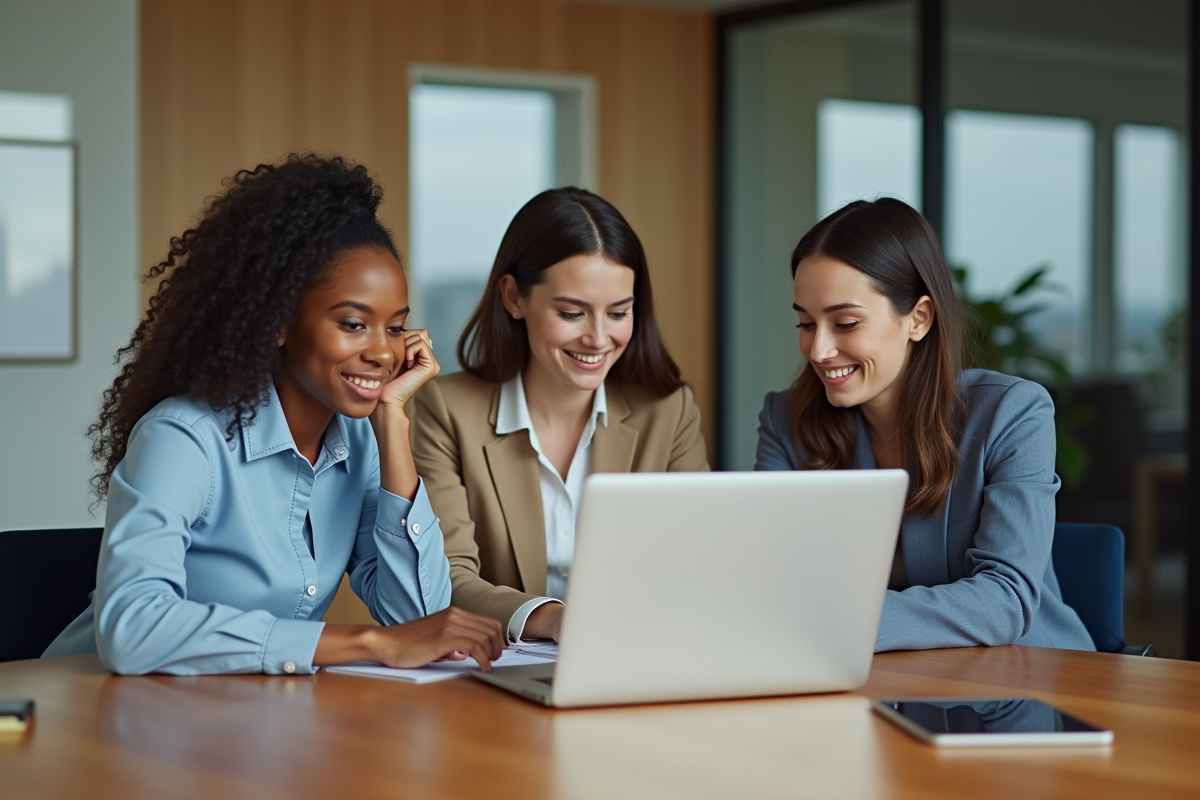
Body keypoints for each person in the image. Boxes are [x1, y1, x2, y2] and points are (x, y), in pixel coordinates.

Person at [44, 154, 504, 674]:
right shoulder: (184, 437)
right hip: (90, 712)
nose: (383, 352)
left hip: (235, 722)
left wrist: (394, 424)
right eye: (353, 324)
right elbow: (132, 629)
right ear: (279, 323)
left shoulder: (362, 440)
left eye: (395, 328)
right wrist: (367, 644)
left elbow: (422, 620)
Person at [755, 198, 1094, 652]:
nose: (818, 350)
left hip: (1022, 688)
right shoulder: (785, 420)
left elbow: (1005, 600)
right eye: (805, 323)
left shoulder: (1013, 414)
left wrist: (836, 624)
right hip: (877, 682)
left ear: (918, 318)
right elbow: (767, 580)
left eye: (846, 323)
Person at [410, 187, 708, 644]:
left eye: (618, 312)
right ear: (513, 298)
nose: (598, 338)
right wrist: (553, 619)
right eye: (572, 313)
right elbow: (443, 576)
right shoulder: (448, 411)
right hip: (501, 671)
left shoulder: (668, 411)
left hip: (637, 657)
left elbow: (695, 559)